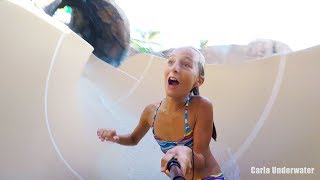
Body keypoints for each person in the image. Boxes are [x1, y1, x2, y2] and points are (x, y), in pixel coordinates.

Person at [97, 46, 224, 180]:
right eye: (171, 61)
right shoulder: (151, 112)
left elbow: (201, 160)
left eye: (186, 64)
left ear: (198, 81)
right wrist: (116, 138)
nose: (175, 68)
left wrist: (186, 152)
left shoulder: (201, 106)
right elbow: (134, 139)